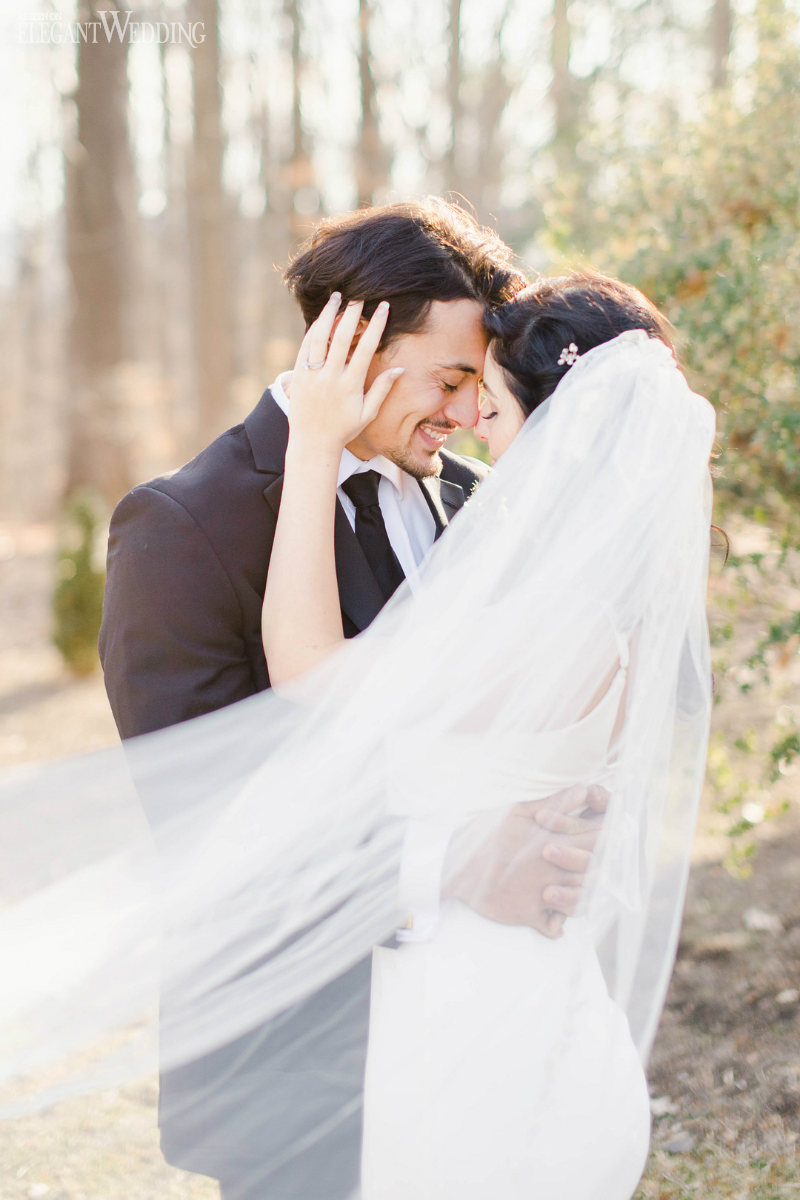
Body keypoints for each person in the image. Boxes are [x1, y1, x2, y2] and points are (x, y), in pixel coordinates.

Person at [96, 200, 607, 1199]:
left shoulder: (469, 498)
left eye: (475, 388)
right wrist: (454, 868)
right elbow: (208, 827)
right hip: (298, 1078)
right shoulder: (181, 527)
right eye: (450, 381)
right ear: (352, 344)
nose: (466, 415)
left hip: (476, 1048)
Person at [260, 271, 716, 1198]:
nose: (473, 425)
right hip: (503, 1009)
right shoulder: (586, 603)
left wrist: (313, 443)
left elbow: (312, 673)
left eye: (497, 410)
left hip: (481, 1038)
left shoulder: (559, 626)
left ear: (562, 434)